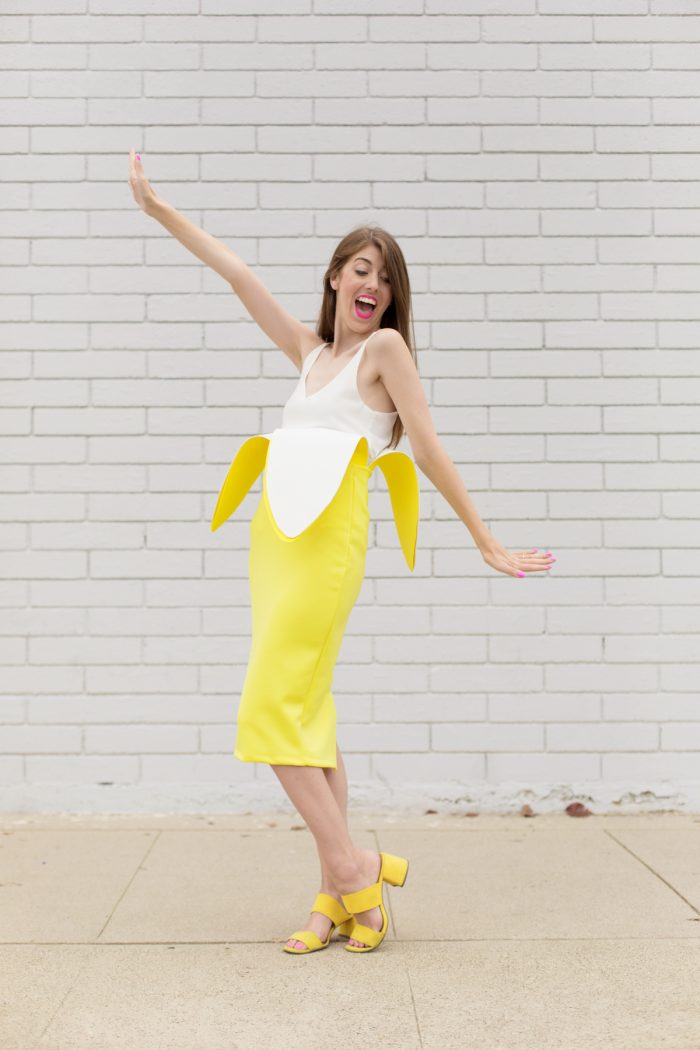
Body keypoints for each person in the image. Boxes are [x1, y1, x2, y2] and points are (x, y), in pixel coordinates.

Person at [128, 148, 556, 955]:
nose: (374, 286)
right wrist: (156, 209)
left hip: (329, 544)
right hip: (276, 541)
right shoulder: (306, 349)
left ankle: (358, 867)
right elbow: (234, 270)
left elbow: (426, 448)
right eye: (362, 270)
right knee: (309, 716)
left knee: (267, 709)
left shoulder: (383, 353)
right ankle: (339, 899)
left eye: (386, 278)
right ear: (334, 278)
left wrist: (485, 539)